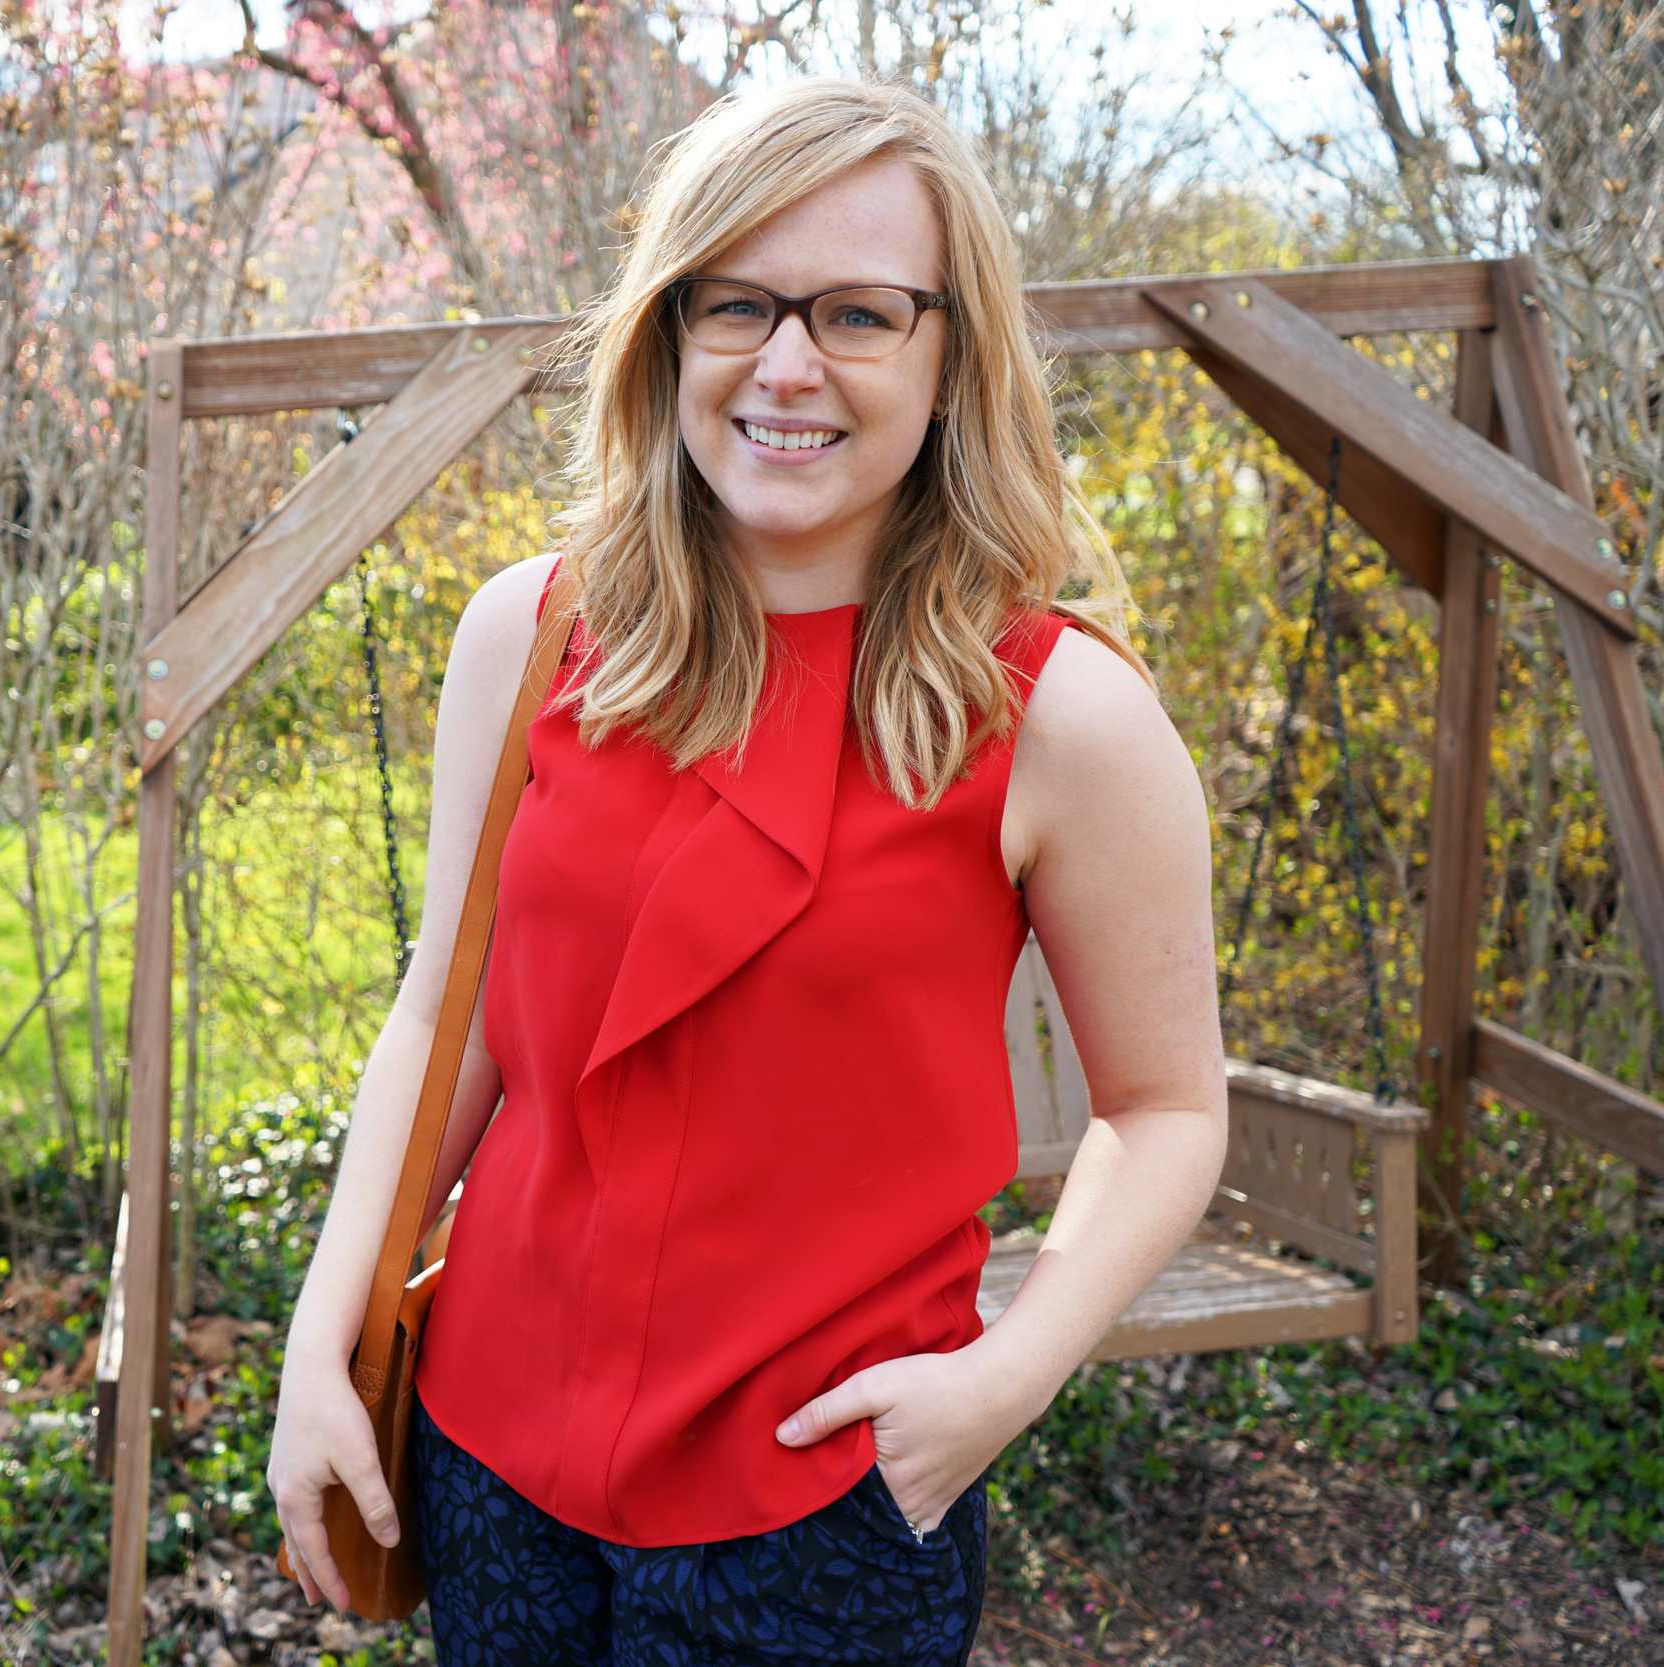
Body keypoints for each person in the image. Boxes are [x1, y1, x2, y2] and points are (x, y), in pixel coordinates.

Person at [266, 77, 1226, 1665]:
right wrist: (322, 1343)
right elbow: (452, 1010)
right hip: (490, 1466)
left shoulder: (1059, 715)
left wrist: (1004, 1377)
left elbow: (1170, 1108)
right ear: (668, 335)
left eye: (857, 313)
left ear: (949, 354)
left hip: (822, 1503)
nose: (788, 365)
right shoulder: (529, 637)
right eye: (738, 305)